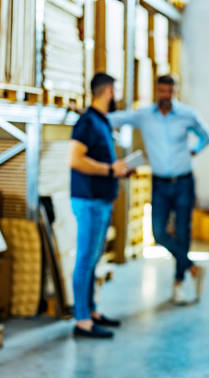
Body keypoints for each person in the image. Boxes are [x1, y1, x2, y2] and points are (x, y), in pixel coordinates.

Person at [108, 75, 209, 305]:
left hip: (184, 182)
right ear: (156, 91)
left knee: (183, 233)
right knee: (159, 233)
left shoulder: (187, 114)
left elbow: (207, 136)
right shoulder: (144, 116)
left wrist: (194, 151)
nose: (166, 95)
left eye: (169, 91)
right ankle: (192, 267)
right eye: (162, 91)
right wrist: (89, 115)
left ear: (175, 91)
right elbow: (117, 119)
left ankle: (178, 284)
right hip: (160, 184)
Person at [68, 73, 129, 339]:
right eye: (114, 91)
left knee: (93, 259)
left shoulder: (101, 122)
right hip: (89, 200)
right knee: (85, 259)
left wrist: (119, 171)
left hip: (101, 199)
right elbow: (75, 159)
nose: (117, 97)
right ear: (106, 92)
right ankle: (82, 321)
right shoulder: (87, 123)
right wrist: (109, 169)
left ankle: (91, 311)